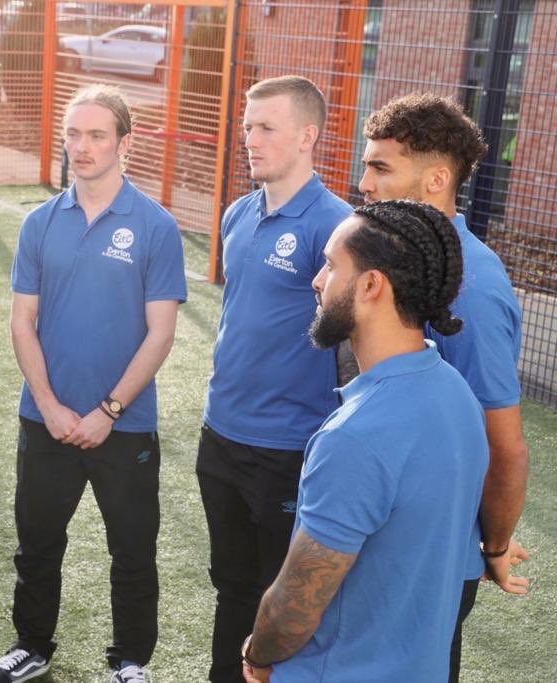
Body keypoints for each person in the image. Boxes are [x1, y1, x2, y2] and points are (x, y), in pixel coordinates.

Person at [240, 200, 528, 683]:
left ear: (371, 285)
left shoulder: (354, 437)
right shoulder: (455, 393)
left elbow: (295, 604)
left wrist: (258, 652)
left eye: (332, 266)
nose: (317, 280)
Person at [0, 84, 187, 683]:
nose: (82, 146)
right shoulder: (40, 223)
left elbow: (161, 334)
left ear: (125, 142)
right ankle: (33, 646)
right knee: (37, 543)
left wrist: (109, 409)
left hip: (124, 423)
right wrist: (48, 404)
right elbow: (22, 321)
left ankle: (129, 661)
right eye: (73, 133)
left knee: (132, 549)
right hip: (46, 417)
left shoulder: (155, 226)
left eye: (97, 134)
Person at [359, 92, 530, 681]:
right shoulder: (392, 256)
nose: (364, 182)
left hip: (427, 556)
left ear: (436, 178)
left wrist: (496, 546)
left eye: (381, 167)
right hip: (372, 530)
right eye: (366, 164)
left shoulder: (473, 288)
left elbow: (504, 445)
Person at [196, 75, 352, 683]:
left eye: (266, 128)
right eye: (247, 126)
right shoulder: (240, 211)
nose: (250, 139)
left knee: (283, 598)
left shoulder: (336, 226)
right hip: (221, 436)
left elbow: (350, 345)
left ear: (307, 136)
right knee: (230, 585)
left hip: (288, 448)